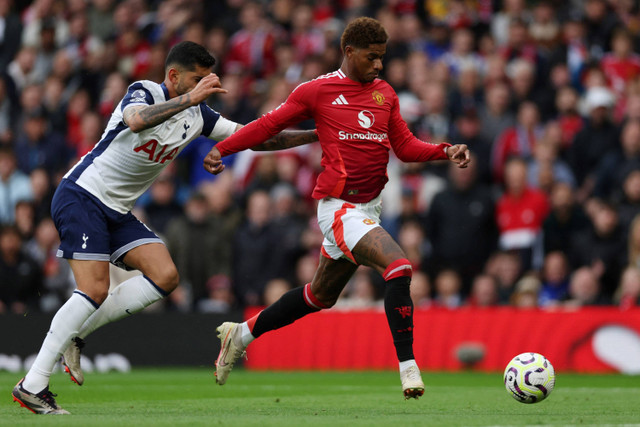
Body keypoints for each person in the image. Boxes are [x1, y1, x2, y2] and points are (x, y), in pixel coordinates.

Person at [12, 41, 317, 415]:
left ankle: (76, 335)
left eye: (208, 79)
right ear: (173, 76)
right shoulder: (143, 92)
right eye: (198, 79)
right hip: (83, 194)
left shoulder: (200, 116)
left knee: (165, 276)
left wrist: (318, 135)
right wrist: (191, 100)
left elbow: (259, 137)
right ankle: (33, 384)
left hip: (117, 210)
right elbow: (138, 120)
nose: (206, 85)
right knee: (94, 287)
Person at [204, 17, 470, 399]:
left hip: (370, 209)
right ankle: (409, 368)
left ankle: (240, 333)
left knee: (320, 296)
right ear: (349, 52)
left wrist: (445, 150)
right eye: (372, 57)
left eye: (382, 57)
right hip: (339, 209)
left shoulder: (386, 94)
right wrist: (222, 148)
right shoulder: (317, 91)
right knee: (398, 267)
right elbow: (267, 125)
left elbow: (406, 146)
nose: (379, 65)